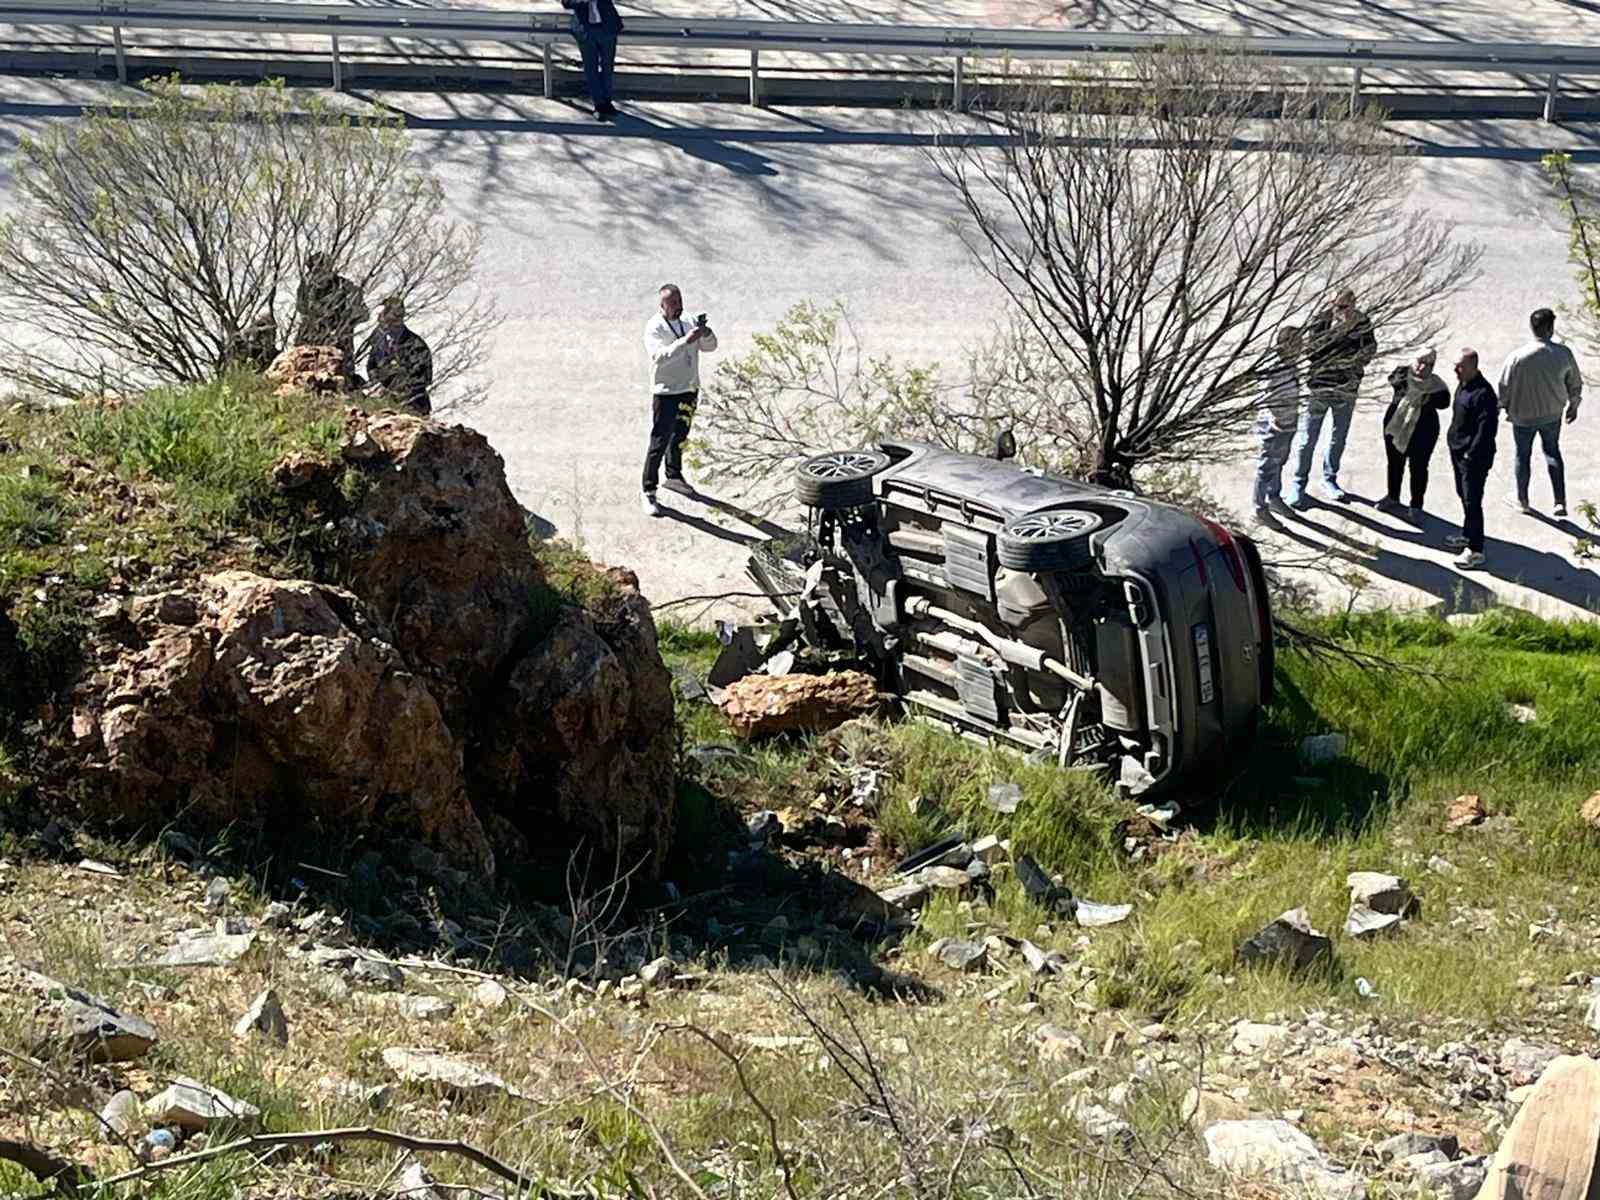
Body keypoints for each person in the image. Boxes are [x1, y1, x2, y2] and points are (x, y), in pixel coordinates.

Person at [1287, 288, 1377, 508]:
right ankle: (1299, 483)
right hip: (1320, 387)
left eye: (1347, 306)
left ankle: (1329, 479)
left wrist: (1354, 361)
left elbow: (1370, 350)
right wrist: (1335, 333)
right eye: (1339, 306)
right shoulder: (1320, 321)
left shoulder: (1362, 322)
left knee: (1338, 437)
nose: (1343, 311)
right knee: (1308, 438)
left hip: (1346, 388)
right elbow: (1310, 351)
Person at [1496, 307, 1583, 517]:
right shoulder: (1563, 353)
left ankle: (1522, 499)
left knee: (1522, 456)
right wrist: (1573, 404)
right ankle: (1559, 501)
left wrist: (1502, 407)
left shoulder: (1517, 357)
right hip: (1552, 414)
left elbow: (1504, 386)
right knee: (1552, 452)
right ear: (1550, 328)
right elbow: (1575, 382)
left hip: (1523, 417)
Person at [641, 283, 717, 516]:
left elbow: (711, 347)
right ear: (662, 305)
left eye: (679, 301)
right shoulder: (654, 327)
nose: (678, 306)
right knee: (659, 441)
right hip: (666, 392)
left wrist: (705, 334)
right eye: (672, 303)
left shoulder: (689, 320)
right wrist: (685, 340)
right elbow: (659, 356)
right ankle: (648, 490)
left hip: (689, 388)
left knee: (680, 436)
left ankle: (673, 475)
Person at [1445, 347, 1499, 570]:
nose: (1455, 370)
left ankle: (1476, 550)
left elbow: (1486, 430)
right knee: (1463, 494)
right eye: (1455, 365)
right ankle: (1467, 534)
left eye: (1460, 366)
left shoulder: (1484, 393)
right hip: (1458, 450)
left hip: (1473, 458)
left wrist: (1470, 454)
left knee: (1472, 500)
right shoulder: (1463, 383)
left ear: (1473, 367)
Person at [1379, 349, 1449, 518]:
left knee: (1418, 469)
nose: (1421, 367)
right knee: (1395, 463)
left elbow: (1444, 402)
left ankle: (1416, 506)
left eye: (1427, 364)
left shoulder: (1437, 386)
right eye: (1419, 361)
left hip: (1423, 432)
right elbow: (1392, 381)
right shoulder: (1402, 374)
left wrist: (1428, 399)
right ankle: (1392, 496)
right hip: (1396, 427)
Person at [295, 253, 369, 384]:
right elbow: (301, 308)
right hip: (308, 344)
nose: (319, 273)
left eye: (323, 268)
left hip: (337, 347)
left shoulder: (346, 287)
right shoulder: (306, 287)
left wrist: (344, 321)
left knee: (336, 382)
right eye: (315, 269)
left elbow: (363, 314)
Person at [1252, 325, 1302, 518]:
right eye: (1296, 344)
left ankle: (1274, 498)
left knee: (1279, 463)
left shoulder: (1291, 363)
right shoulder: (1273, 366)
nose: (1300, 348)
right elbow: (1267, 396)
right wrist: (1278, 420)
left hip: (1289, 420)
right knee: (1266, 466)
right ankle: (1259, 508)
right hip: (1275, 425)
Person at [367, 297, 434, 416]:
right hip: (381, 404)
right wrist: (376, 383)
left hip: (413, 407)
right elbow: (371, 365)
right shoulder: (379, 340)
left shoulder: (416, 346)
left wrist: (396, 392)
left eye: (389, 322)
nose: (385, 326)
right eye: (383, 322)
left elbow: (423, 379)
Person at [561, 0, 623, 120]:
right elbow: (566, 2)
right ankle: (599, 105)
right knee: (591, 68)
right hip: (586, 30)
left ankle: (607, 102)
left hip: (607, 27)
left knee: (607, 66)